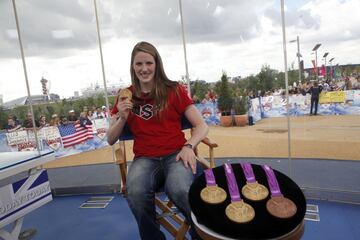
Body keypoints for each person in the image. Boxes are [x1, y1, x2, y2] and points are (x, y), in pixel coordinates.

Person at [107, 41, 208, 240]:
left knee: (180, 189)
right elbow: (111, 139)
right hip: (145, 158)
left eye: (148, 63)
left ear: (156, 64)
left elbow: (202, 125)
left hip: (176, 154)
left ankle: (202, 236)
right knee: (135, 192)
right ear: (132, 66)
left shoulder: (174, 90)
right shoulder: (124, 96)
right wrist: (122, 117)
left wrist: (189, 146)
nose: (144, 69)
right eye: (139, 64)